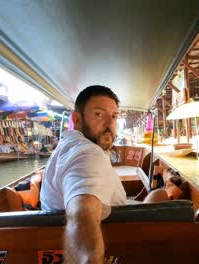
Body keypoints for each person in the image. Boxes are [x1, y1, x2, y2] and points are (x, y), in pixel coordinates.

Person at [40, 85, 126, 263]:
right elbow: (81, 213)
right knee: (160, 193)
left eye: (114, 116)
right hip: (125, 240)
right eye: (99, 114)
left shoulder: (69, 146)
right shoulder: (88, 153)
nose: (109, 123)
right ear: (77, 120)